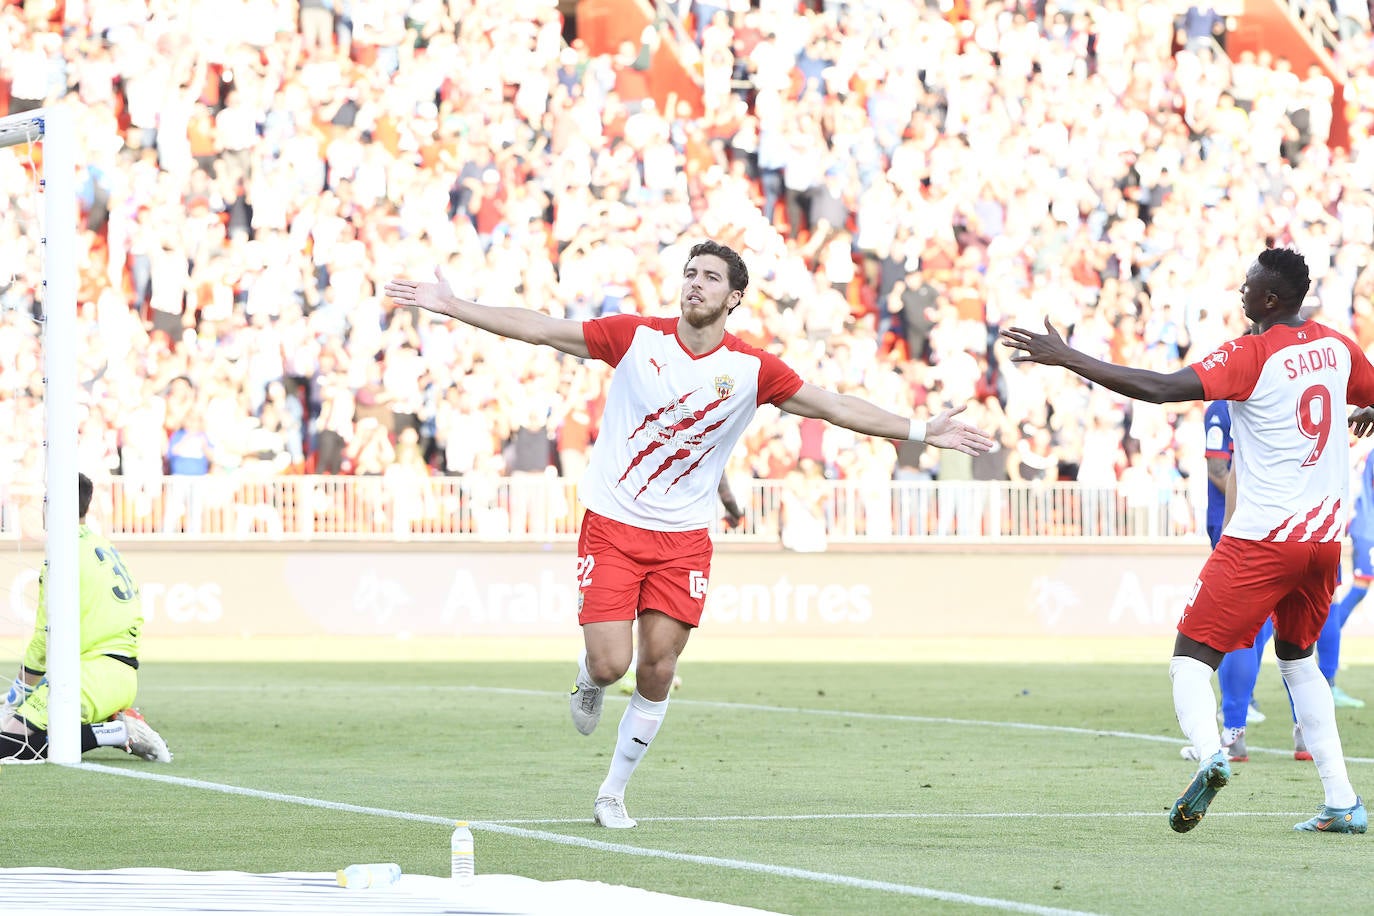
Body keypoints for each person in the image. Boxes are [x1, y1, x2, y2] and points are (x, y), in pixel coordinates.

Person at [385, 239, 995, 828]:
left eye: (710, 277)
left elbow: (833, 405)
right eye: (690, 273)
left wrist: (920, 429)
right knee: (610, 662)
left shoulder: (751, 368)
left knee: (655, 668)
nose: (695, 284)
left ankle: (613, 793)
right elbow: (542, 327)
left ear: (734, 298)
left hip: (682, 540)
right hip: (614, 524)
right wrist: (453, 304)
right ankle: (588, 677)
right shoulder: (635, 337)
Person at [1000, 247, 1371, 834]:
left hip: (1263, 537)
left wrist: (1068, 357)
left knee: (1191, 660)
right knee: (1300, 663)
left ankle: (1210, 755)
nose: (1240, 293)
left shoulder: (1253, 353)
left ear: (1270, 299)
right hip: (1324, 541)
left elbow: (1160, 388)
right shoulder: (1337, 347)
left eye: (1247, 286)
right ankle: (1343, 802)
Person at [0, 473, 172, 763]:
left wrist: (16, 696)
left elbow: (44, 641)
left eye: (44, 500)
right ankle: (111, 717)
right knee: (15, 733)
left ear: (54, 505)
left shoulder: (64, 556)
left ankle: (116, 730)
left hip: (91, 676)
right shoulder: (100, 544)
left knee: (6, 744)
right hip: (112, 674)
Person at [1197, 399, 1273, 764]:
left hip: (1248, 526)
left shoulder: (1224, 407)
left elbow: (1221, 468)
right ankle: (1304, 735)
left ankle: (1235, 727)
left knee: (1236, 623)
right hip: (1308, 523)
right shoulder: (1294, 388)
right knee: (1296, 635)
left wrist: (1229, 527)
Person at [1320, 446, 1374, 709]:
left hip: (1359, 526)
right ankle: (1328, 647)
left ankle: (1328, 646)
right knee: (1358, 588)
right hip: (1368, 528)